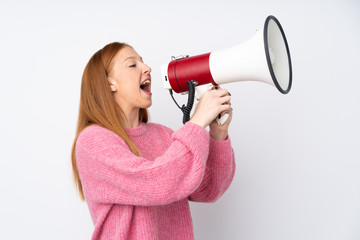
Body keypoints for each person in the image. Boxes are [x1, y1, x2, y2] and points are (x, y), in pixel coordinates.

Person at [71, 42, 236, 240]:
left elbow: (209, 190)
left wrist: (218, 135)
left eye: (143, 62)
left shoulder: (164, 135)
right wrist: (197, 122)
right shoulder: (93, 141)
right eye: (132, 65)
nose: (147, 68)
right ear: (109, 83)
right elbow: (155, 184)